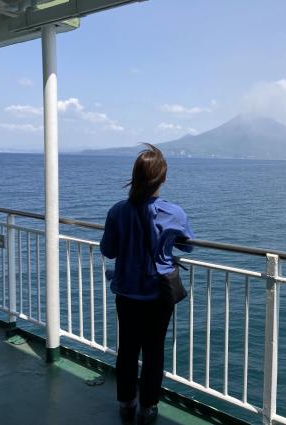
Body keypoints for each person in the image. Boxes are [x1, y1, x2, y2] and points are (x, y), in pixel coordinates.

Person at [100, 144, 194, 424]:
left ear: (135, 177)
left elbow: (109, 250)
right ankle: (148, 408)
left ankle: (126, 404)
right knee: (154, 351)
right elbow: (187, 246)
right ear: (162, 178)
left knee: (128, 349)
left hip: (127, 292)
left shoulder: (118, 211)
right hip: (158, 294)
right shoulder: (173, 212)